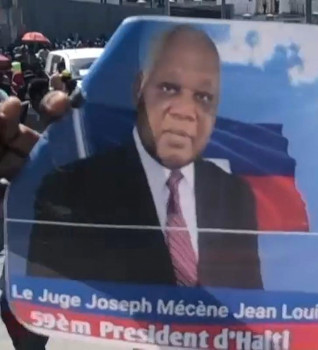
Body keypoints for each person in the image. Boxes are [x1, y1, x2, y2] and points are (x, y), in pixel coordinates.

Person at [27, 25, 263, 289]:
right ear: (140, 88)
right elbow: (30, 324)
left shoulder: (234, 195)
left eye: (203, 96)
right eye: (170, 88)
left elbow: (249, 307)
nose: (186, 111)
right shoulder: (70, 190)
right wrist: (24, 185)